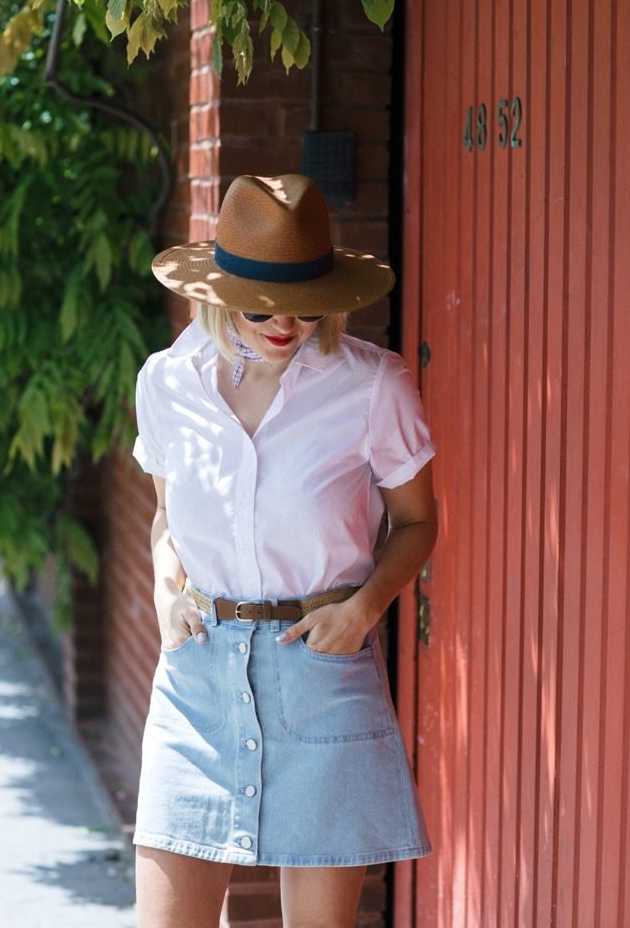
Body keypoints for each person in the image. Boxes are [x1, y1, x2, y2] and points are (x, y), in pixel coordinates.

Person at [132, 174, 437, 928]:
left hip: (320, 667)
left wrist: (366, 608)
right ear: (222, 288)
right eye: (266, 306)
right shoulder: (168, 383)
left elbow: (418, 524)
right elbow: (166, 522)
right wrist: (166, 595)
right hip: (197, 675)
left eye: (309, 305)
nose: (289, 324)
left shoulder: (373, 386)